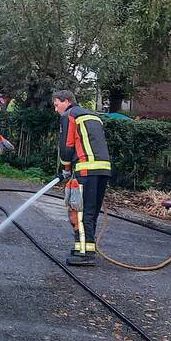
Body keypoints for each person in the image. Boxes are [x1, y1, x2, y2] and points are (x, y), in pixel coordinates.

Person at [53, 89, 112, 266]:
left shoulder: (69, 115)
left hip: (85, 169)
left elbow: (67, 146)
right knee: (91, 211)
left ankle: (85, 253)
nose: (56, 110)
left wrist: (65, 168)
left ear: (66, 101)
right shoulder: (94, 116)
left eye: (57, 105)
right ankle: (85, 247)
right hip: (103, 169)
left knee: (80, 211)